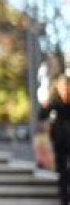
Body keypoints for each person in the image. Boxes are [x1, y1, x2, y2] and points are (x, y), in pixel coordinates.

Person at [40, 75, 70, 205]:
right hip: (60, 140)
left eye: (67, 86)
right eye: (62, 86)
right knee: (62, 170)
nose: (65, 89)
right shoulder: (55, 101)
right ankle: (64, 199)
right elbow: (42, 115)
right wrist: (45, 105)